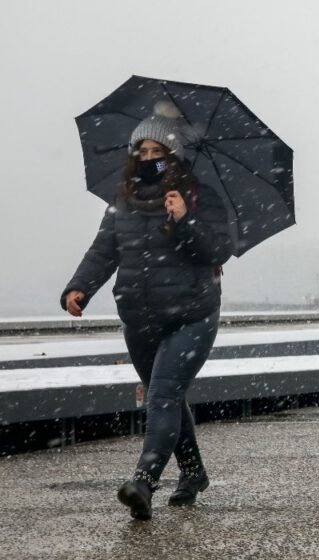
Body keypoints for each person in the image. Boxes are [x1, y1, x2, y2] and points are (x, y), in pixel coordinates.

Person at [61, 101, 233, 520]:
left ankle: (144, 480)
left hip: (192, 314)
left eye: (159, 153)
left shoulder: (197, 195)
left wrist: (186, 219)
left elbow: (218, 250)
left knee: (161, 394)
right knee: (168, 397)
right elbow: (104, 251)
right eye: (143, 153)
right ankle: (193, 473)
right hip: (140, 318)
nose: (150, 160)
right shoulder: (122, 201)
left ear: (174, 157)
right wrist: (79, 287)